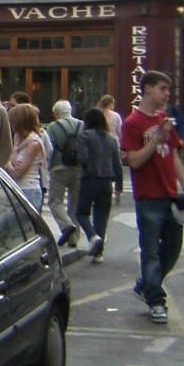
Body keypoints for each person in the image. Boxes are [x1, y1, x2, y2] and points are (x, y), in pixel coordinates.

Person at [121, 70, 184, 325]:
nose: (167, 94)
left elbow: (172, 155)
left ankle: (145, 284)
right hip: (148, 196)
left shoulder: (165, 118)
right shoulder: (132, 122)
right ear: (148, 88)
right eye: (163, 88)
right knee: (150, 251)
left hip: (170, 194)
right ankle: (156, 300)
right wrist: (157, 138)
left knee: (173, 248)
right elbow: (134, 161)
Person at [73, 108, 123, 262]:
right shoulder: (111, 139)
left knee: (81, 212)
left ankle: (92, 236)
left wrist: (84, 166)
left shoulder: (85, 135)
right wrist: (119, 186)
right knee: (101, 217)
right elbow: (117, 164)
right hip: (107, 181)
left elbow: (83, 158)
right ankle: (98, 253)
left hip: (89, 179)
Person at [46, 100, 83, 247]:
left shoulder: (53, 127)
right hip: (79, 168)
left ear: (57, 113)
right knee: (75, 203)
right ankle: (74, 239)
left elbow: (49, 148)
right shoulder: (82, 125)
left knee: (55, 201)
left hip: (59, 167)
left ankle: (66, 225)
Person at [6, 103, 45, 209]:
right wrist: (11, 165)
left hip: (29, 190)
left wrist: (9, 165)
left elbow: (18, 173)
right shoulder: (18, 138)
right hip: (16, 188)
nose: (11, 124)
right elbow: (9, 159)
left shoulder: (34, 143)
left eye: (12, 121)